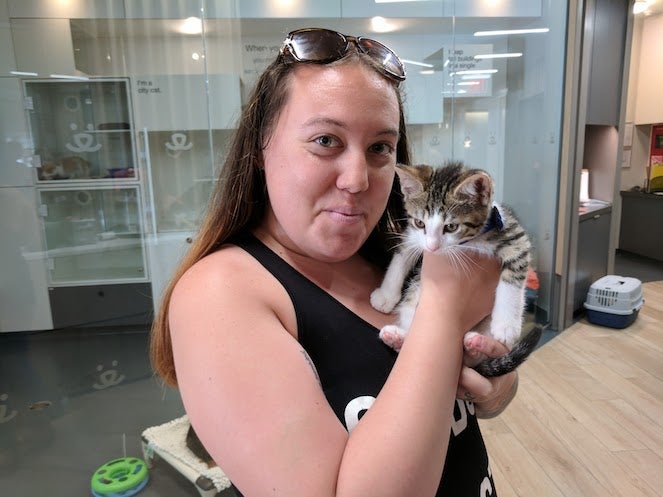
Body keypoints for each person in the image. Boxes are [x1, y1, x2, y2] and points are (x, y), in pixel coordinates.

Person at [150, 27, 519, 497]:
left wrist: (496, 387)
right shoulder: (221, 294)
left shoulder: (397, 257)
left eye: (380, 147)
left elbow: (467, 396)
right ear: (261, 146)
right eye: (326, 140)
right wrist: (445, 311)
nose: (357, 179)